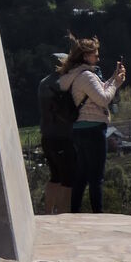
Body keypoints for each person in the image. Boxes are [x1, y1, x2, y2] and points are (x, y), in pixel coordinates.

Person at [58, 35, 126, 214]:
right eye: (95, 55)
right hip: (93, 129)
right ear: (86, 56)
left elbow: (101, 89)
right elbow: (103, 99)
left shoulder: (76, 75)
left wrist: (113, 78)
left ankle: (75, 211)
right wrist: (116, 84)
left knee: (81, 174)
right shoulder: (86, 76)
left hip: (80, 129)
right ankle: (98, 214)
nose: (98, 58)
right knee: (96, 177)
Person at [37, 53, 77, 214]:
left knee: (55, 176)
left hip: (47, 135)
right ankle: (64, 213)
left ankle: (48, 211)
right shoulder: (63, 84)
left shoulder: (43, 83)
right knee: (68, 179)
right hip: (63, 136)